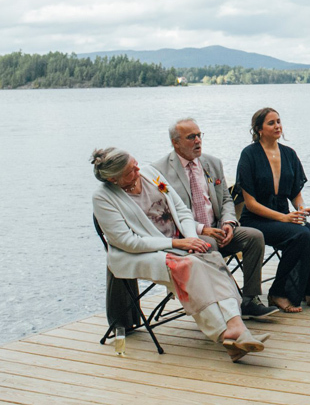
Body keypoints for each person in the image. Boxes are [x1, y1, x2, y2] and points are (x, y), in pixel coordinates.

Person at [91, 147, 266, 362]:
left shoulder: (152, 176)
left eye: (135, 163)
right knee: (189, 267)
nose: (138, 170)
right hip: (140, 252)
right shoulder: (104, 198)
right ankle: (225, 332)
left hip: (180, 241)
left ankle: (235, 327)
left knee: (211, 257)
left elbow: (181, 210)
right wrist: (176, 243)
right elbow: (128, 241)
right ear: (113, 179)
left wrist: (192, 239)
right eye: (130, 171)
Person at [152, 117, 275, 321]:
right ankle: (226, 305)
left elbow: (226, 198)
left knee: (254, 237)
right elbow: (166, 213)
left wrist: (228, 222)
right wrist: (201, 229)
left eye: (200, 135)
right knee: (208, 245)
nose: (198, 141)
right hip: (188, 237)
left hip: (219, 229)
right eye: (191, 137)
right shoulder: (159, 171)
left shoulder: (212, 163)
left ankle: (250, 299)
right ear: (176, 142)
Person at [236, 108, 310, 313]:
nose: (277, 126)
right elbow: (250, 204)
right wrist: (284, 218)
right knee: (300, 236)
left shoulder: (289, 153)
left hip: (284, 217)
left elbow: (296, 193)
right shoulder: (249, 154)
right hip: (257, 220)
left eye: (278, 121)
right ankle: (278, 292)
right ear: (259, 129)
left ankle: (308, 289)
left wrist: (303, 210)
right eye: (271, 123)